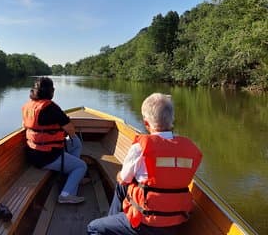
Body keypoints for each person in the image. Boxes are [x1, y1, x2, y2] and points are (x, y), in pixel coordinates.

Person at [87, 93, 203, 235]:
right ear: (172, 120)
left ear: (146, 123)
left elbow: (124, 179)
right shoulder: (190, 148)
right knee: (123, 187)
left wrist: (120, 175)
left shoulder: (141, 147)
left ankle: (113, 224)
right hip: (176, 221)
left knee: (93, 227)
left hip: (146, 223)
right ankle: (114, 221)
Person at [22, 76, 87, 204]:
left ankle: (70, 176)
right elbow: (70, 130)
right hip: (47, 156)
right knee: (81, 166)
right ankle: (66, 194)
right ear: (50, 91)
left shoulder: (28, 107)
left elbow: (25, 126)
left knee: (76, 144)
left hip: (32, 154)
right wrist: (66, 136)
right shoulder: (50, 108)